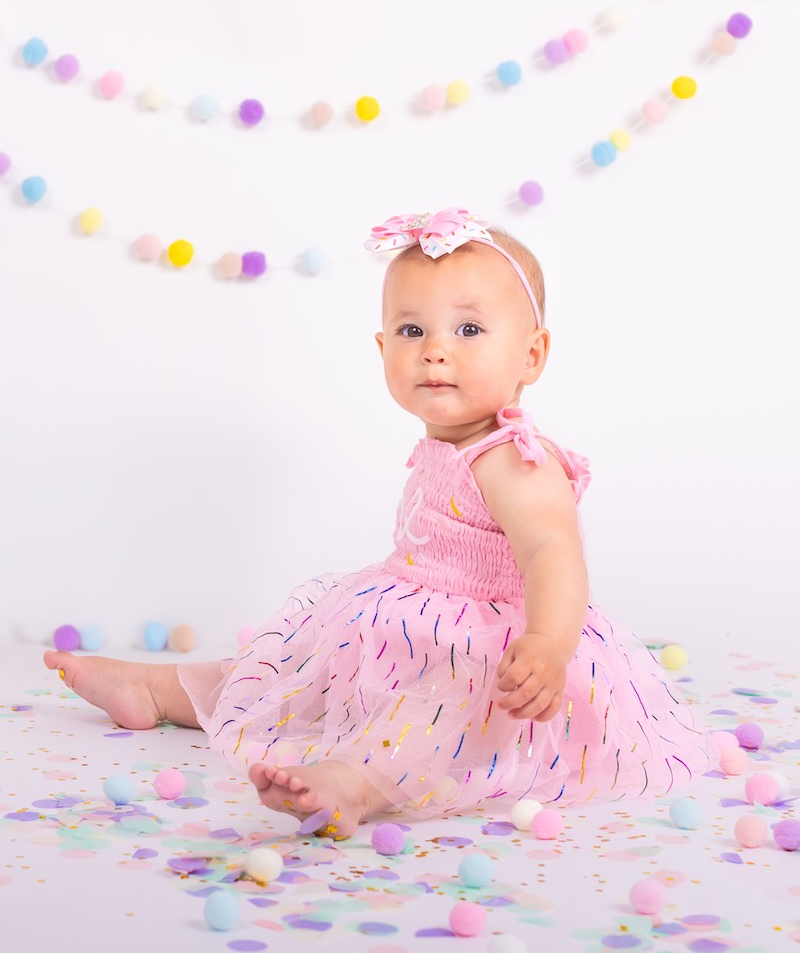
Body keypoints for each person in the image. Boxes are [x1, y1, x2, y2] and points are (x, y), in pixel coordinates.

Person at [44, 208, 713, 840]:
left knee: (433, 714)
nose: (435, 352)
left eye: (469, 330)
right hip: (400, 621)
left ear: (531, 356)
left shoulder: (515, 459)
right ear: (382, 345)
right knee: (292, 669)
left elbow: (552, 552)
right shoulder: (448, 442)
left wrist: (546, 643)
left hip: (492, 653)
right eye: (413, 330)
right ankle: (158, 689)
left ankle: (354, 786)